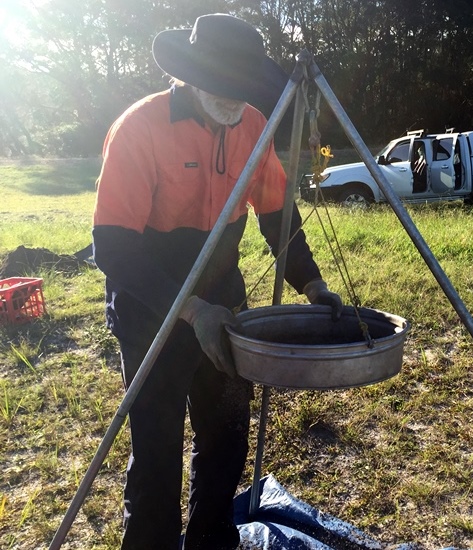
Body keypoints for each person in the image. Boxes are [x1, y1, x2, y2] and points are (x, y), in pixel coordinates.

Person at [91, 13, 342, 550]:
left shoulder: (252, 125)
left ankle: (212, 538)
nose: (235, 101)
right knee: (157, 450)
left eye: (242, 89)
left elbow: (277, 215)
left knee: (226, 433)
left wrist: (312, 282)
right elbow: (114, 248)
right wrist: (189, 310)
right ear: (190, 73)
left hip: (224, 305)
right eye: (224, 87)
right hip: (151, 308)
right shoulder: (139, 128)